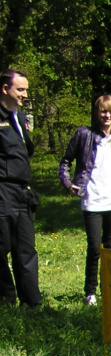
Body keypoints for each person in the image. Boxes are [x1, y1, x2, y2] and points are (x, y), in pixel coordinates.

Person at [58, 95, 111, 306]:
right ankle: (90, 291)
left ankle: (109, 287)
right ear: (96, 112)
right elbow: (65, 161)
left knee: (110, 247)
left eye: (110, 112)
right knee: (94, 247)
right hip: (92, 200)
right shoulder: (84, 135)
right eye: (102, 111)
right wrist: (67, 182)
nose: (106, 116)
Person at [0, 69, 42, 308]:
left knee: (25, 248)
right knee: (1, 247)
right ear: (5, 89)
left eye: (26, 90)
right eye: (20, 89)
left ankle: (31, 303)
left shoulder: (21, 118)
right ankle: (5, 300)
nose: (25, 94)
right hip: (2, 192)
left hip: (22, 193)